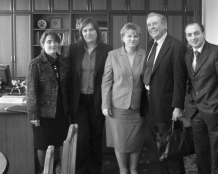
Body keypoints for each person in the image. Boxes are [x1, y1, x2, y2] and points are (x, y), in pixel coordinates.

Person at [184, 22, 218, 174]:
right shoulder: (188, 55)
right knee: (201, 152)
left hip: (216, 111)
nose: (193, 37)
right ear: (186, 37)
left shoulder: (217, 52)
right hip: (196, 113)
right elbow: (191, 82)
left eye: (196, 33)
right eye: (189, 35)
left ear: (203, 33)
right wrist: (190, 103)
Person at [143, 12, 187, 174]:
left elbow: (179, 80)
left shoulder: (176, 46)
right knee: (157, 148)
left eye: (155, 24)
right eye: (149, 25)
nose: (151, 27)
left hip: (167, 106)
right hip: (150, 105)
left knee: (171, 148)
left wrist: (178, 107)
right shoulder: (150, 45)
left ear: (165, 25)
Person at [67, 17, 112, 174]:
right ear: (81, 32)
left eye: (91, 29)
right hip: (78, 101)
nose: (88, 33)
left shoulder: (107, 49)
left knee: (96, 136)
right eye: (84, 30)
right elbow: (68, 75)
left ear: (97, 31)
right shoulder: (73, 49)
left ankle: (95, 169)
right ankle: (80, 170)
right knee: (81, 138)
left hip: (97, 99)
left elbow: (110, 75)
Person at [102, 22, 146, 174]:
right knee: (119, 141)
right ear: (123, 38)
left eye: (135, 36)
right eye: (129, 36)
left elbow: (148, 79)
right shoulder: (113, 55)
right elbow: (106, 81)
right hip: (117, 106)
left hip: (138, 106)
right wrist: (105, 104)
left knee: (136, 140)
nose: (132, 39)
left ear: (139, 38)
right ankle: (123, 170)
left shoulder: (145, 54)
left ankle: (133, 170)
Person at [27, 30, 70, 174]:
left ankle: (57, 168)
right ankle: (45, 170)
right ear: (43, 44)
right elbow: (31, 91)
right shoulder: (35, 64)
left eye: (55, 41)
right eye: (49, 42)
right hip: (43, 113)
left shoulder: (63, 61)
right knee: (43, 144)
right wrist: (33, 115)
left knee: (60, 142)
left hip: (61, 110)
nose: (53, 44)